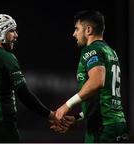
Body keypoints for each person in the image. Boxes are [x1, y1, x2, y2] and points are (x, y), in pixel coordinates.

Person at [0, 14, 69, 143]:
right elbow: (24, 94)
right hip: (0, 126)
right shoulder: (5, 57)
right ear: (0, 33)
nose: (16, 35)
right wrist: (50, 115)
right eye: (12, 31)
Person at [52, 10, 129, 142]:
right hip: (116, 124)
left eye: (77, 29)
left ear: (88, 30)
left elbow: (97, 82)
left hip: (102, 129)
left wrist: (67, 105)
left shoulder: (91, 50)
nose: (74, 34)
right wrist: (77, 117)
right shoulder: (110, 52)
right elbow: (103, 98)